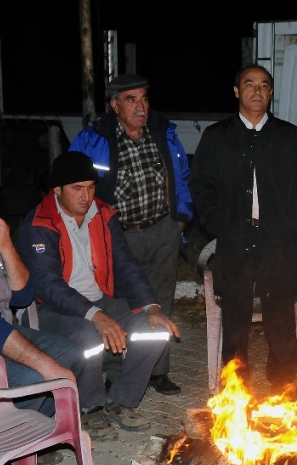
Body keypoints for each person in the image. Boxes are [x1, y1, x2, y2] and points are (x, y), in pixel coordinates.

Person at [18, 152, 179, 434]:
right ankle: (90, 408)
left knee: (155, 329)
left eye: (91, 187)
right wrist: (96, 315)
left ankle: (121, 400)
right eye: (77, 188)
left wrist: (151, 305)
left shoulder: (103, 215)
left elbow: (126, 264)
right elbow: (47, 286)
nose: (86, 196)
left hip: (99, 299)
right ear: (57, 190)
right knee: (89, 339)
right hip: (53, 309)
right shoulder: (39, 224)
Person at [0, 173, 98, 446]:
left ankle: (29, 436)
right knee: (36, 377)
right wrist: (47, 366)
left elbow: (22, 295)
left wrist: (7, 247)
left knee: (74, 354)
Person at [189, 64, 297, 394]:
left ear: (271, 92)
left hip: (278, 244)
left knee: (280, 323)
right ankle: (236, 395)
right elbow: (201, 184)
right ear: (237, 91)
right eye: (249, 84)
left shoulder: (290, 137)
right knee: (235, 324)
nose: (257, 91)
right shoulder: (217, 138)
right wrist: (221, 225)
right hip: (234, 245)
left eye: (264, 85)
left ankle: (286, 392)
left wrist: (288, 227)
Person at [69, 73, 192, 395]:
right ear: (114, 104)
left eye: (144, 98)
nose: (141, 106)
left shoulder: (162, 132)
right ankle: (117, 371)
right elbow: (72, 184)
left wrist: (180, 218)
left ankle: (157, 371)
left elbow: (181, 176)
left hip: (161, 231)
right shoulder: (93, 139)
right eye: (131, 100)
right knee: (119, 304)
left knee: (160, 303)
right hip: (117, 238)